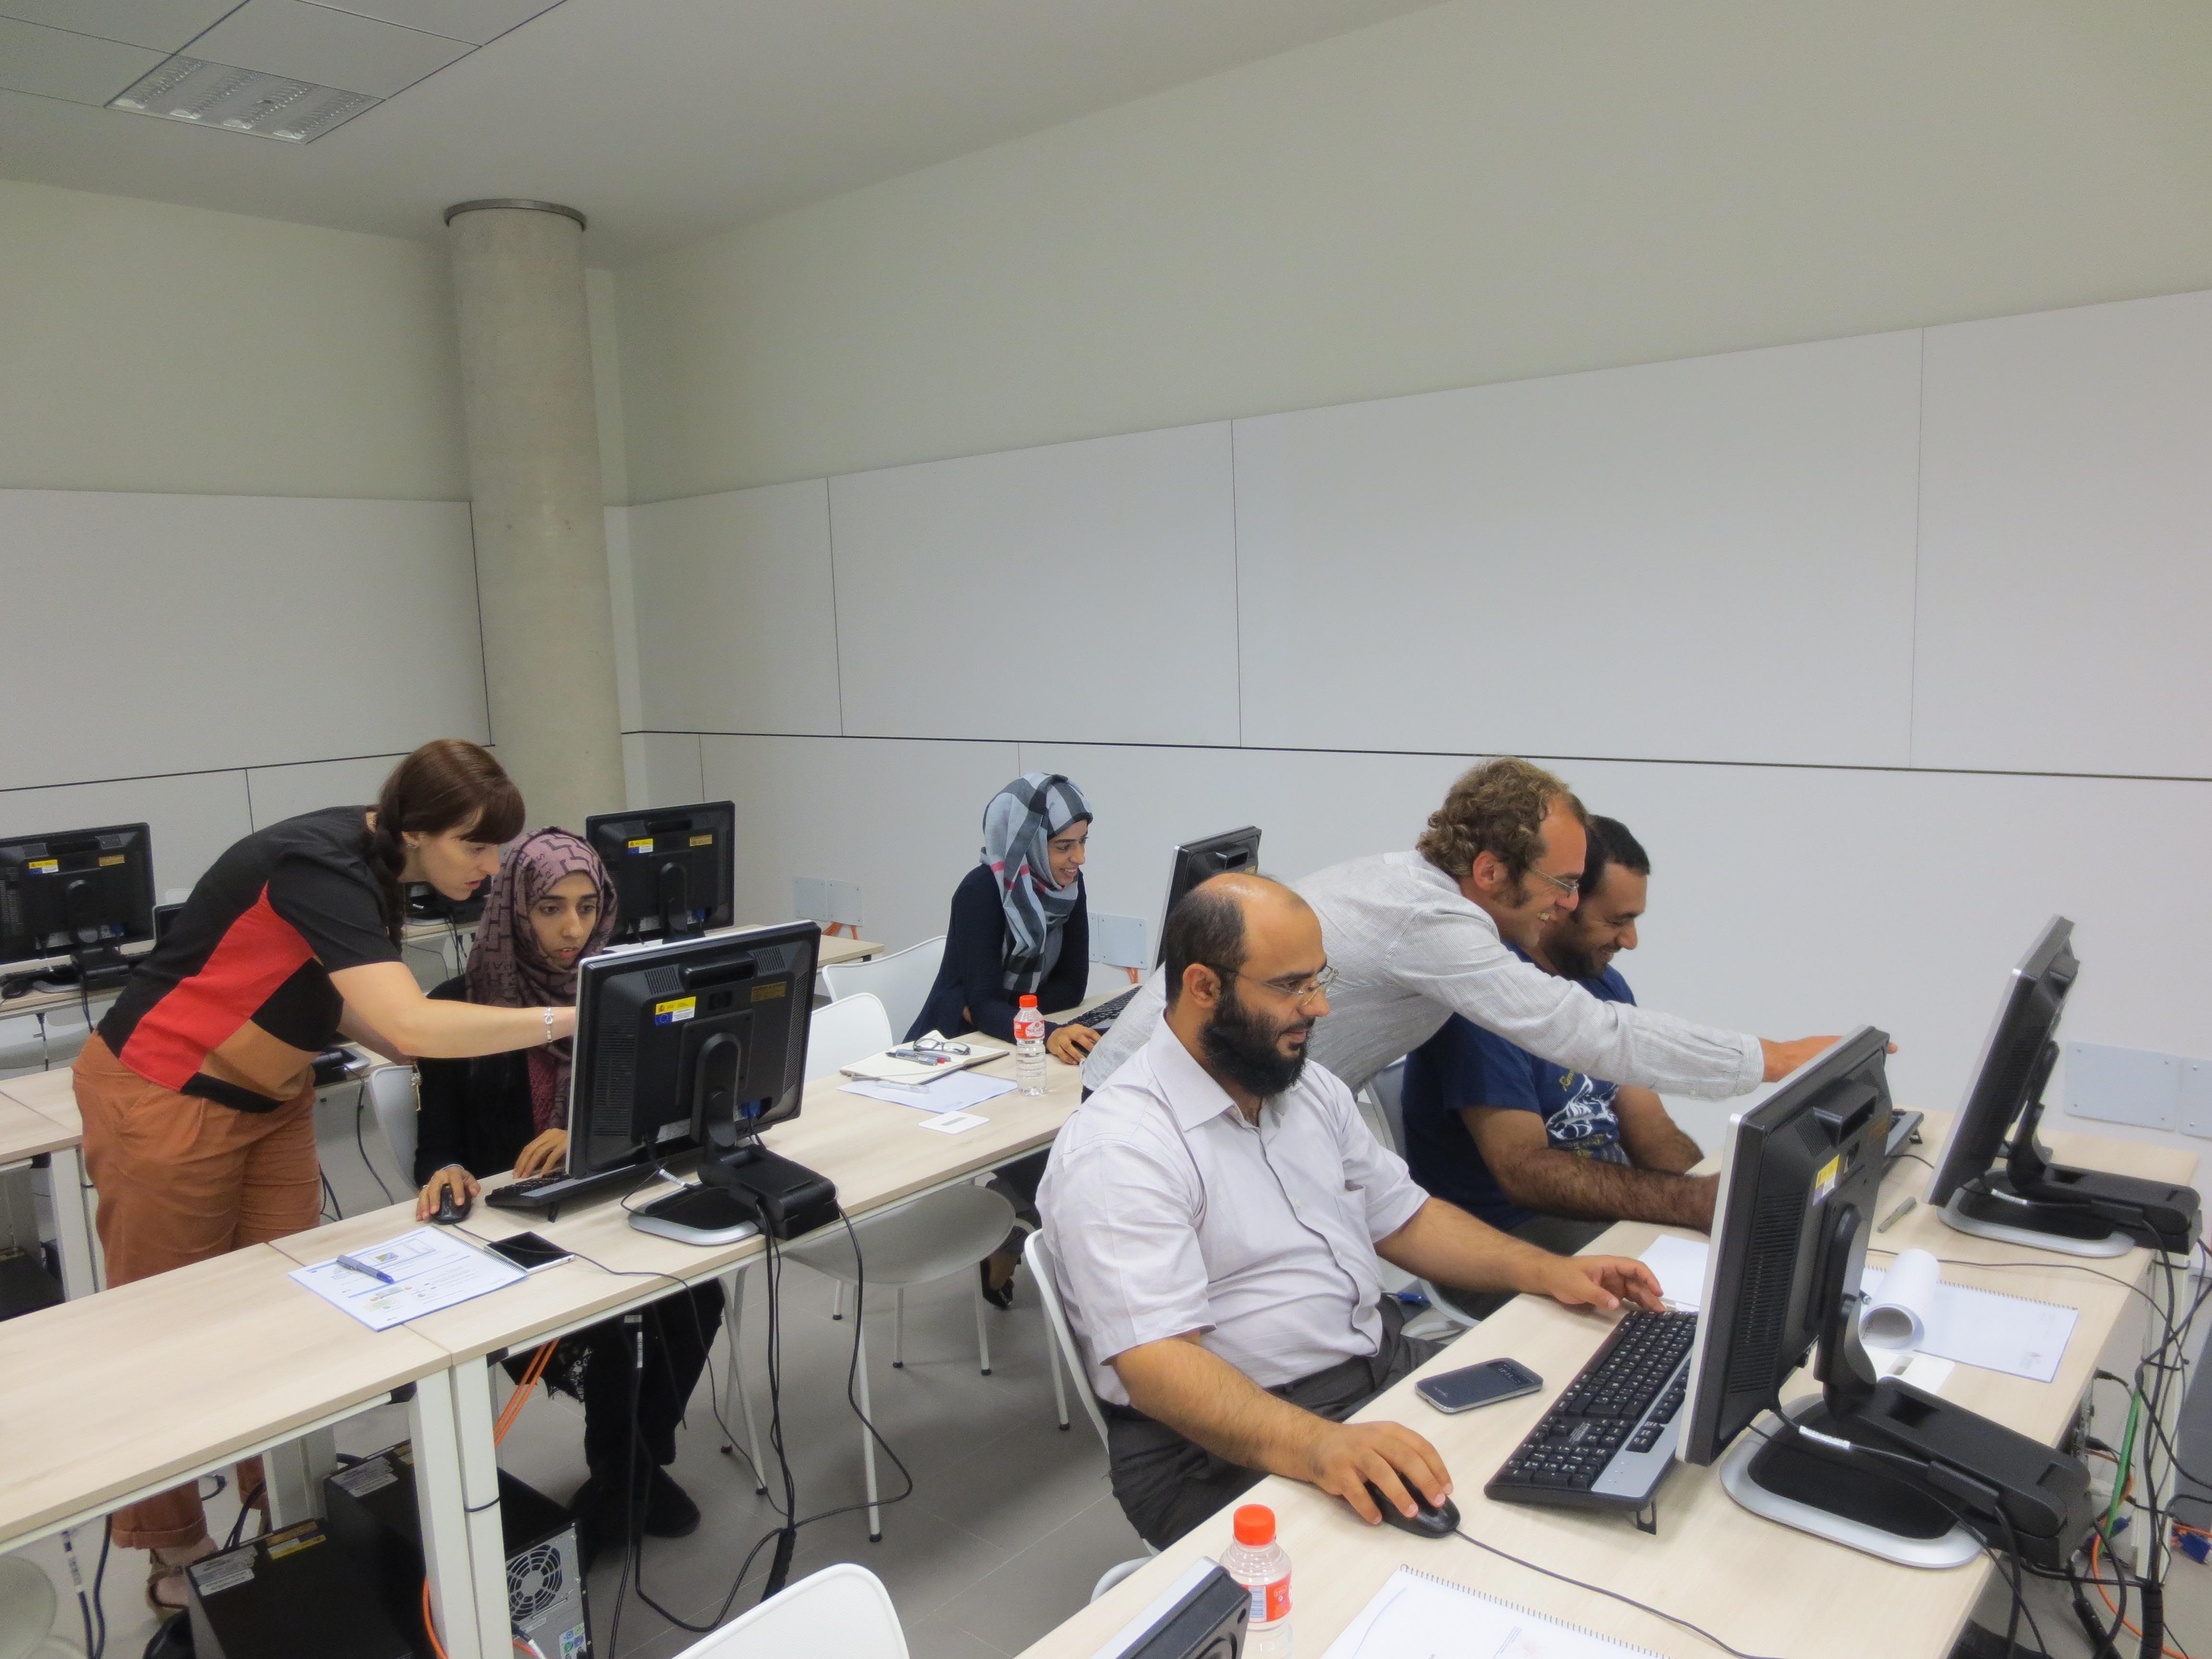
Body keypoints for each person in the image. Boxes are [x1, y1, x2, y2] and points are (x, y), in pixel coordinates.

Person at [74, 739, 575, 1611]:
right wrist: (568, 1015)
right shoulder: (318, 863)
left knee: (286, 1318)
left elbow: (357, 1009)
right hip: (166, 1092)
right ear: (415, 830)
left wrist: (452, 1044)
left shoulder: (379, 863)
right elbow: (410, 1025)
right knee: (166, 1334)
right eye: (474, 846)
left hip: (271, 1097)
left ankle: (279, 1500)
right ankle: (174, 1549)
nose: (491, 868)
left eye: (498, 848)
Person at [1039, 873, 1664, 1549]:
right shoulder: (1120, 1148)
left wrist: (1548, 1272)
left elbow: (1406, 1218)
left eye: (1319, 978)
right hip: (1212, 1448)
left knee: (1572, 1450)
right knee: (1475, 1553)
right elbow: (1157, 1366)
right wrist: (1320, 1447)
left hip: (1374, 1370)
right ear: (1204, 988)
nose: (1320, 1006)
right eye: (1291, 986)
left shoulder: (1306, 1089)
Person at [1080, 758, 1841, 1103]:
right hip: (1156, 1107)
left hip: (1247, 1105)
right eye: (1562, 885)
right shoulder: (1433, 924)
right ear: (1488, 871)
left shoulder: (1424, 890)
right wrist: (1767, 1058)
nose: (1568, 906)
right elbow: (1582, 1031)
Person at [412, 829, 723, 1557]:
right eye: (551, 909)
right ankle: (630, 1477)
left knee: (698, 1296)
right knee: (610, 1332)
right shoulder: (459, 1006)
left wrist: (584, 1135)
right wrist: (446, 1169)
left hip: (604, 1205)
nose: (573, 929)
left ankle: (628, 1471)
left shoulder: (620, 992)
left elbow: (656, 1114)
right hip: (512, 1228)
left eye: (587, 908)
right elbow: (437, 1145)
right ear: (514, 909)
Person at [1402, 816, 1713, 1317]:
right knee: (1677, 1311)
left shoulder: (1604, 985)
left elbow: (1650, 1125)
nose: (1630, 940)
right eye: (1616, 921)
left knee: (1729, 1268)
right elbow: (1525, 1172)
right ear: (1560, 905)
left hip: (1600, 1215)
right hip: (1511, 1240)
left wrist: (1715, 1202)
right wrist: (1687, 1203)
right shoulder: (1487, 1001)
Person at [909, 772, 1103, 1305]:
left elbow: (1070, 986)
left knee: (1078, 1139)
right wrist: (1042, 1028)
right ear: (1027, 842)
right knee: (1056, 1159)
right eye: (1064, 846)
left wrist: (1018, 1016)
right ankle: (1013, 1227)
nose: (1078, 859)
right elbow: (980, 1004)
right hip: (956, 1053)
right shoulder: (980, 892)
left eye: (1083, 842)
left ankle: (1014, 1223)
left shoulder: (1067, 889)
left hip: (1011, 1040)